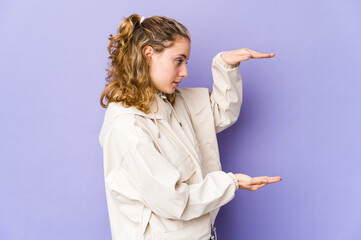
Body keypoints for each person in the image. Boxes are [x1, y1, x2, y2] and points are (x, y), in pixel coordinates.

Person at [98, 14, 282, 240]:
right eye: (178, 61)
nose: (185, 72)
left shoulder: (169, 100)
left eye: (186, 62)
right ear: (149, 55)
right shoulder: (127, 127)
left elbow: (221, 114)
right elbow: (174, 201)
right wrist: (231, 182)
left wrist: (225, 65)